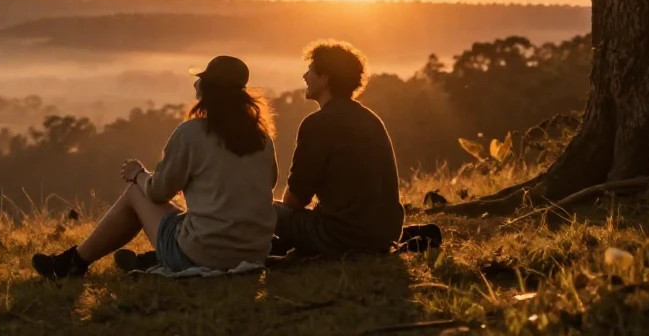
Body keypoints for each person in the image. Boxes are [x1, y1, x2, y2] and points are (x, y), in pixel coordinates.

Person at [32, 55, 278, 279]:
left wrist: (138, 174)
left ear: (210, 89)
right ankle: (121, 260)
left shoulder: (191, 133)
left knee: (135, 193)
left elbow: (158, 192)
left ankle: (71, 263)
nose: (195, 85)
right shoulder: (262, 139)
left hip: (204, 253)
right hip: (254, 251)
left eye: (201, 80)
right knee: (180, 216)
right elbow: (269, 183)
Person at [273, 40, 404, 258]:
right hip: (385, 234)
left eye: (311, 71)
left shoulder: (318, 124)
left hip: (340, 235)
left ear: (325, 79)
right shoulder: (370, 118)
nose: (305, 77)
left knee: (264, 212)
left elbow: (295, 199)